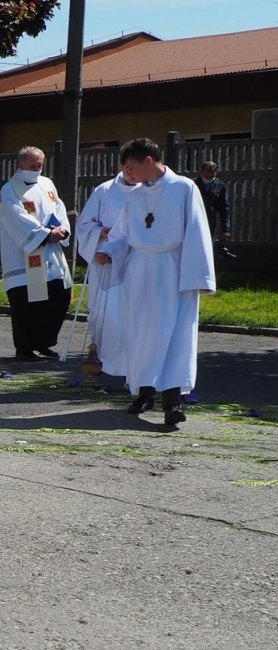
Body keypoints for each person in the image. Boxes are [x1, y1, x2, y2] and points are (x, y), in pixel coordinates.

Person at [105, 138, 216, 431]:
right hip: (140, 271)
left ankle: (173, 401)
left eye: (131, 167)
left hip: (173, 270)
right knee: (141, 332)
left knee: (176, 334)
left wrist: (200, 276)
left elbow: (197, 230)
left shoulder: (183, 188)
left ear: (148, 161)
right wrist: (108, 252)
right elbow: (121, 236)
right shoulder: (133, 196)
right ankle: (144, 392)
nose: (127, 173)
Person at [0, 147, 72, 361]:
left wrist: (62, 230)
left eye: (40, 165)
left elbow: (59, 208)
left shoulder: (47, 183)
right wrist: (46, 235)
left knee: (59, 295)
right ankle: (25, 347)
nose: (37, 168)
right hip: (26, 252)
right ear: (21, 164)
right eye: (33, 165)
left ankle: (45, 342)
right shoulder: (10, 189)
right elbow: (16, 217)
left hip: (51, 252)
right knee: (29, 302)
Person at [74, 167, 138, 377]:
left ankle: (133, 367)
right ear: (122, 166)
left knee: (133, 315)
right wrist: (99, 233)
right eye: (128, 167)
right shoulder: (104, 191)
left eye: (135, 167)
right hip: (105, 261)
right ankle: (104, 361)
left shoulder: (148, 191)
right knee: (106, 314)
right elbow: (84, 225)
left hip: (135, 262)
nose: (132, 172)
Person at [192, 161, 232, 256]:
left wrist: (225, 229)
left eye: (215, 170)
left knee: (208, 243)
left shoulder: (220, 185)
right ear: (201, 171)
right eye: (209, 170)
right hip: (194, 218)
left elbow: (224, 208)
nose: (212, 172)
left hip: (210, 219)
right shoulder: (193, 184)